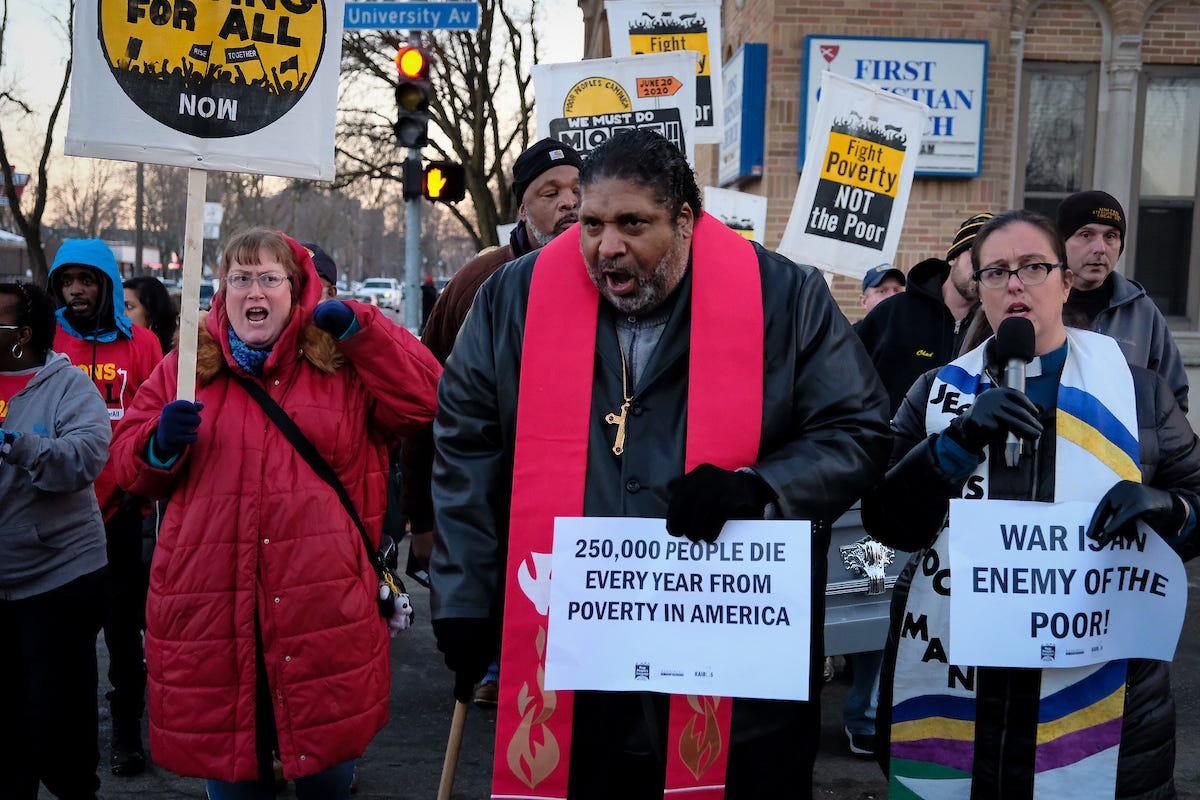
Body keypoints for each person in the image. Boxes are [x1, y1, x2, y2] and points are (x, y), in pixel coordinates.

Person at [429, 129, 891, 799]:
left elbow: (859, 429)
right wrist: (464, 596)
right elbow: (466, 444)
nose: (605, 247)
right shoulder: (513, 300)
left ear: (685, 221)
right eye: (592, 224)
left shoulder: (785, 297)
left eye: (632, 224)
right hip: (573, 675)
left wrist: (761, 486)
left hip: (737, 681)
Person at [862, 209, 1200, 798]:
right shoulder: (936, 392)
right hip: (961, 685)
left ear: (1065, 283)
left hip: (1103, 697)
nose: (1014, 284)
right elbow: (888, 521)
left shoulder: (1139, 392)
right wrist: (956, 442)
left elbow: (1195, 503)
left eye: (1033, 267)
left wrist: (1170, 509)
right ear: (980, 289)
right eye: (996, 272)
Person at [109, 228, 441, 799]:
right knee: (233, 777)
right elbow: (127, 468)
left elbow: (425, 402)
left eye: (269, 278)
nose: (254, 291)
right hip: (212, 617)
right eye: (240, 278)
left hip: (321, 617)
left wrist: (366, 330)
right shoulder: (187, 368)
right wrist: (157, 445)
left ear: (297, 289)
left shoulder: (341, 366)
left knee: (326, 778)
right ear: (222, 290)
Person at [401, 136, 581, 708]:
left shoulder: (613, 278)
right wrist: (423, 520)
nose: (569, 202)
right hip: (497, 501)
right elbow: (426, 405)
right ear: (522, 208)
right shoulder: (480, 282)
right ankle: (497, 667)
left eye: (578, 189)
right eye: (550, 193)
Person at [48, 239, 164, 776]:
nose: (76, 290)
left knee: (122, 634)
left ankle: (126, 734)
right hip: (59, 511)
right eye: (67, 281)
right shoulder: (45, 339)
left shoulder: (142, 344)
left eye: (87, 280)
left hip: (123, 510)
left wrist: (141, 481)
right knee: (65, 635)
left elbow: (155, 412)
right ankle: (67, 742)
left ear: (107, 285)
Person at [0, 282, 112, 800]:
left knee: (57, 722)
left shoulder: (68, 386)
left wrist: (16, 445)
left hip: (58, 578)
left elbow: (86, 458)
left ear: (22, 335)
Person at [1058, 190, 1188, 411]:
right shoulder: (1039, 304)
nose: (1100, 249)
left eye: (1110, 236)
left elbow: (1173, 399)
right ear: (1061, 243)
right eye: (1086, 235)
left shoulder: (1142, 313)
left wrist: (1145, 433)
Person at [124, 276, 179, 356]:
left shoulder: (174, 356)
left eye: (129, 307)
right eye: (118, 307)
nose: (121, 314)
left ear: (152, 313)